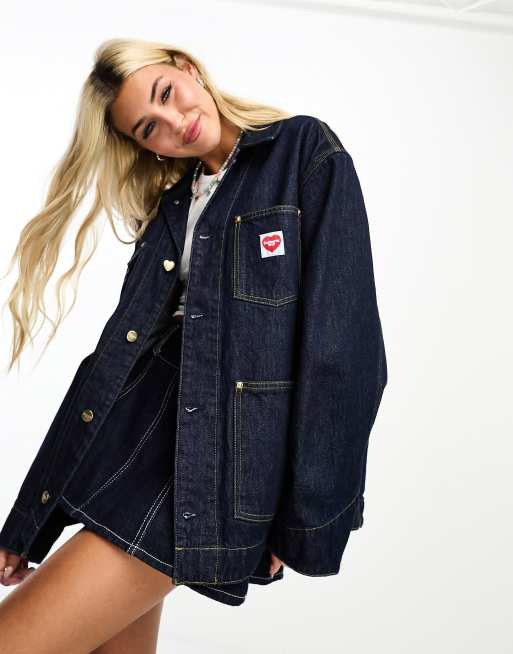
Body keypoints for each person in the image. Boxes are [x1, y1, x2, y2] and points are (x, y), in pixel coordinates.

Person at [0, 37, 387, 652]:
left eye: (167, 93)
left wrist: (304, 517)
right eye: (148, 127)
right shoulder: (173, 206)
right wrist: (28, 520)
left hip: (207, 462)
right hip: (133, 438)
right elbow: (111, 365)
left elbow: (342, 349)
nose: (174, 122)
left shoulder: (302, 151)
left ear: (188, 69)